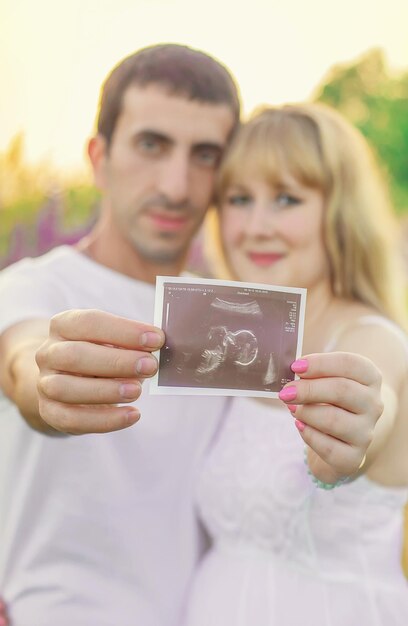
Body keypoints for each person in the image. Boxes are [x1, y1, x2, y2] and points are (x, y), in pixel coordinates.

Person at [0, 43, 240, 626]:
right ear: (99, 156)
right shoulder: (29, 288)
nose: (178, 185)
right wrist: (47, 381)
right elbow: (23, 360)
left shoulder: (235, 320)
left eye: (204, 155)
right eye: (152, 145)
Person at [183, 103, 408, 625]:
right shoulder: (235, 342)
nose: (256, 226)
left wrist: (354, 432)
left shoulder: (373, 341)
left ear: (340, 210)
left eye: (286, 198)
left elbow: (372, 410)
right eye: (239, 199)